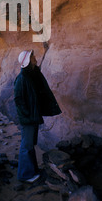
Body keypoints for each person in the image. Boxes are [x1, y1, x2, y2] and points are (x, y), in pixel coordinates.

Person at [14, 50, 61, 183]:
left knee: (30, 145)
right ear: (28, 61)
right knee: (26, 145)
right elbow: (18, 99)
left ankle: (31, 170)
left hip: (32, 118)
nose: (35, 58)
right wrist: (27, 116)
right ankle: (25, 175)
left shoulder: (30, 74)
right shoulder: (22, 78)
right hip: (28, 119)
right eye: (32, 57)